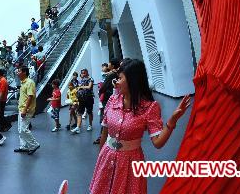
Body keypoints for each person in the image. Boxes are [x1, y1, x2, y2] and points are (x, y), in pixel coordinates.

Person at [89, 59, 191, 193]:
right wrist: (101, 159)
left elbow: (158, 142)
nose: (116, 82)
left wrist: (172, 121)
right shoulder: (113, 100)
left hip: (130, 164)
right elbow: (105, 133)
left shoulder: (149, 107)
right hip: (106, 158)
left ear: (132, 80)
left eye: (119, 78)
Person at [14, 66, 39, 155]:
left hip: (26, 110)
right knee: (20, 129)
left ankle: (34, 145)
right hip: (21, 108)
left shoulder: (29, 82)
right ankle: (23, 146)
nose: (17, 72)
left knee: (23, 129)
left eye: (19, 71)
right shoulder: (23, 82)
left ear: (24, 72)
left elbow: (30, 96)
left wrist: (25, 109)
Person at [95, 58, 120, 144]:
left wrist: (100, 92)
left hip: (108, 98)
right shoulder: (118, 73)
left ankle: (103, 137)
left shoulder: (110, 75)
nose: (108, 64)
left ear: (112, 65)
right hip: (115, 97)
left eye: (109, 63)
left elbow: (103, 87)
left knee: (104, 118)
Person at [72, 68, 94, 134]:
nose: (83, 74)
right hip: (81, 99)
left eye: (84, 73)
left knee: (89, 112)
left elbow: (89, 87)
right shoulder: (81, 80)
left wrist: (81, 87)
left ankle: (90, 125)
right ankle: (78, 127)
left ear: (87, 73)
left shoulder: (91, 79)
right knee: (79, 112)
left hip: (89, 98)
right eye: (82, 73)